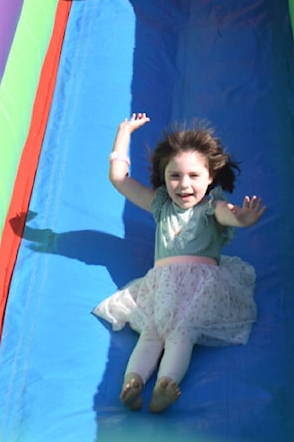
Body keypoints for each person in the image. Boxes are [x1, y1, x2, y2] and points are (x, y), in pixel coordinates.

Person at [93, 112, 266, 413]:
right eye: (175, 176)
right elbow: (118, 179)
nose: (183, 184)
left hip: (201, 287)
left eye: (194, 176)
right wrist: (123, 131)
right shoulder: (161, 206)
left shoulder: (212, 206)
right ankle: (132, 383)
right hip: (163, 286)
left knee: (182, 332)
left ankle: (165, 385)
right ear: (164, 179)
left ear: (210, 177)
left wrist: (243, 218)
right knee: (152, 333)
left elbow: (229, 214)